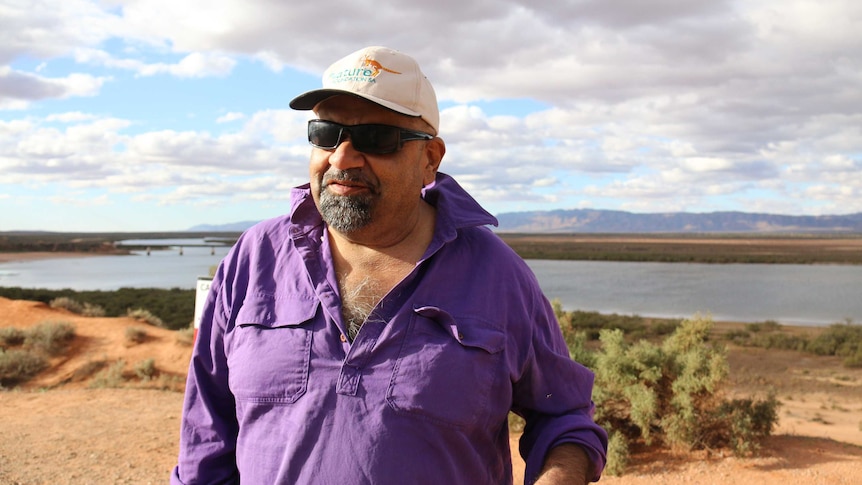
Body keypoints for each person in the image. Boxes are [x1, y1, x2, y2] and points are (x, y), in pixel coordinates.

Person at [171, 46, 607, 485]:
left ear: (430, 160)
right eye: (325, 133)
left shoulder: (498, 276)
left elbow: (564, 419)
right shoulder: (255, 258)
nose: (342, 158)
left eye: (376, 138)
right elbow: (206, 440)